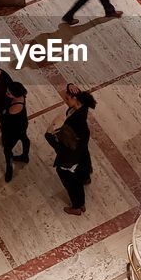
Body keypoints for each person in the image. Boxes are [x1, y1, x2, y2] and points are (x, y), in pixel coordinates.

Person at [47, 86, 95, 215]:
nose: (65, 101)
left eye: (67, 99)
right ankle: (85, 177)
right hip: (80, 150)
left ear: (75, 99)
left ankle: (78, 206)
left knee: (70, 181)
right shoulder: (81, 107)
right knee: (83, 164)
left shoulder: (75, 123)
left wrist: (49, 134)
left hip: (72, 155)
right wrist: (70, 86)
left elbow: (63, 147)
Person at [1, 81, 31, 166]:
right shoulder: (21, 96)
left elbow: (6, 118)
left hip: (14, 130)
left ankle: (9, 168)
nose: (6, 94)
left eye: (9, 93)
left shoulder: (14, 108)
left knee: (7, 149)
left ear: (15, 95)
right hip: (22, 123)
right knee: (25, 139)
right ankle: (25, 156)